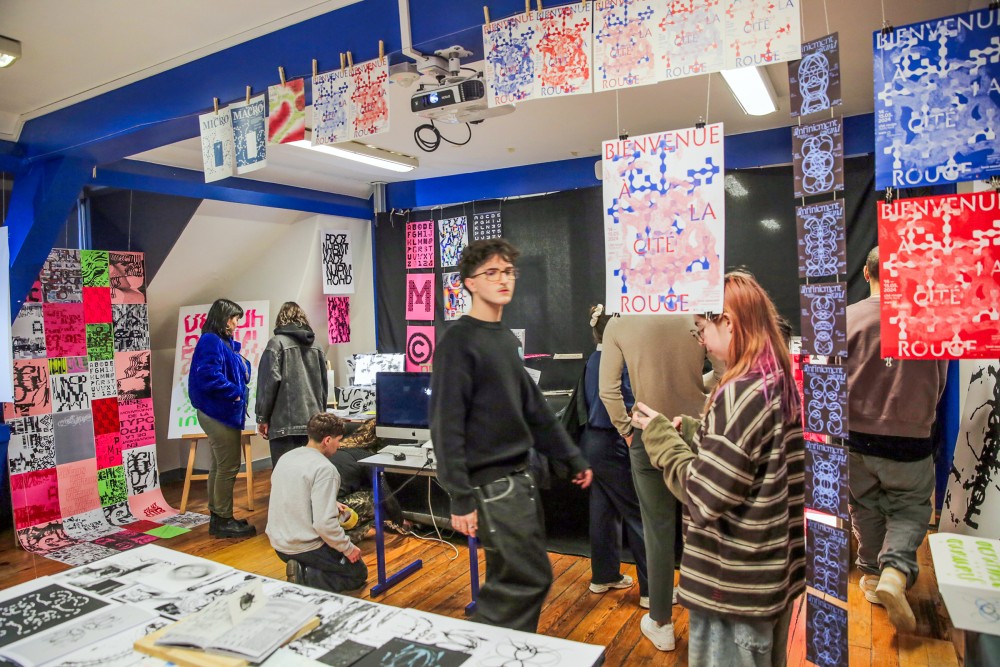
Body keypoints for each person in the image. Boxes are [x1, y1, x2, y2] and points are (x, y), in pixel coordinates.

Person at [633, 271, 805, 667]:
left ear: (727, 321)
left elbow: (704, 496)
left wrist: (661, 438)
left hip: (733, 587)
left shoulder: (739, 391)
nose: (703, 342)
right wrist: (695, 430)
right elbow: (753, 457)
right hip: (766, 579)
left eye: (701, 330)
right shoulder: (773, 379)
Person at [430, 238, 593, 633]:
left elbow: (534, 409)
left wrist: (571, 457)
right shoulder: (458, 341)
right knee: (526, 580)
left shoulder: (504, 339)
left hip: (521, 479)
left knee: (511, 581)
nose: (503, 279)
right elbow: (446, 423)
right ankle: (490, 652)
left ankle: (498, 650)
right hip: (493, 486)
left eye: (507, 271)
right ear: (470, 282)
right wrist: (460, 496)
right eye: (491, 272)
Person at [846, 247, 948, 633]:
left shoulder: (844, 319)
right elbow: (940, 381)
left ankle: (874, 575)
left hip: (855, 436)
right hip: (911, 436)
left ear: (866, 273)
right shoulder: (930, 320)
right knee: (909, 509)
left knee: (864, 505)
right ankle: (895, 571)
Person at [599, 312, 714, 651]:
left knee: (656, 529)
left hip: (647, 432)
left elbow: (608, 390)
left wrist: (626, 430)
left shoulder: (619, 323)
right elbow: (725, 372)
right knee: (705, 525)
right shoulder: (697, 316)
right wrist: (694, 386)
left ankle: (661, 620)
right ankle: (710, 620)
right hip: (696, 429)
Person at [579, 305, 649, 606]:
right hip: (614, 441)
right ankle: (652, 592)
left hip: (591, 442)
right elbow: (628, 402)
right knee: (639, 514)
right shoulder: (618, 361)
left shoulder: (593, 359)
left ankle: (604, 575)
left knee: (603, 511)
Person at [266, 413, 368, 593]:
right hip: (304, 547)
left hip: (278, 545)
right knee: (358, 573)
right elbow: (324, 524)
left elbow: (292, 492)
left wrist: (330, 502)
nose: (339, 445)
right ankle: (306, 576)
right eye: (338, 440)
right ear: (327, 440)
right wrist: (348, 548)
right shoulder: (325, 469)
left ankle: (303, 567)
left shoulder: (287, 457)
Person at [189, 298, 255, 539]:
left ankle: (219, 517)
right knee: (228, 466)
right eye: (234, 318)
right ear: (224, 318)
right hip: (218, 412)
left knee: (219, 466)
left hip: (221, 412)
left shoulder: (220, 341)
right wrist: (234, 393)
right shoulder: (211, 340)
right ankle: (223, 520)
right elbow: (208, 376)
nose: (237, 323)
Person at [255, 301, 329, 467]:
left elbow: (268, 385)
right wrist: (321, 415)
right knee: (310, 472)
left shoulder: (276, 344)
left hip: (284, 425)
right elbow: (324, 387)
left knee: (285, 474)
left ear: (280, 320)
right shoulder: (317, 346)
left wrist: (262, 417)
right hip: (313, 423)